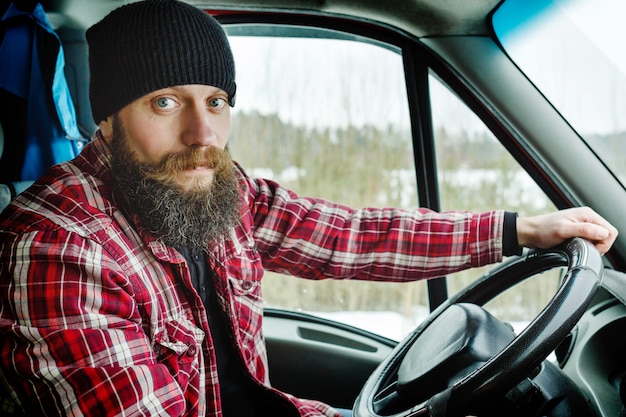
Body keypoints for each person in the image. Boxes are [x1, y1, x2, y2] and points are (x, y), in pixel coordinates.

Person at [0, 1, 618, 416]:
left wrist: (522, 230)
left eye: (216, 101)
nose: (202, 134)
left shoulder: (213, 189)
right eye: (165, 103)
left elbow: (353, 236)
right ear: (105, 117)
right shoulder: (57, 249)